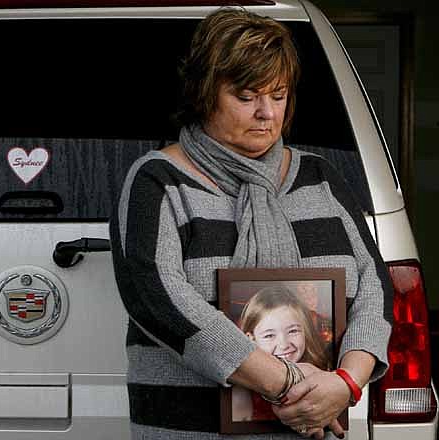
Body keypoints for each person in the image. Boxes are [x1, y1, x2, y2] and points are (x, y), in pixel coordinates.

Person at [109, 7, 393, 440]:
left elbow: (376, 288)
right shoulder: (158, 182)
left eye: (277, 96)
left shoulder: (322, 179)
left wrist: (345, 384)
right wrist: (289, 386)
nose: (265, 113)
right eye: (246, 97)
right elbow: (157, 300)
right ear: (205, 93)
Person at [232, 286, 329, 422]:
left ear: (305, 330)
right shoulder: (242, 391)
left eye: (293, 331)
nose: (284, 344)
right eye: (269, 335)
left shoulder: (321, 374)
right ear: (251, 339)